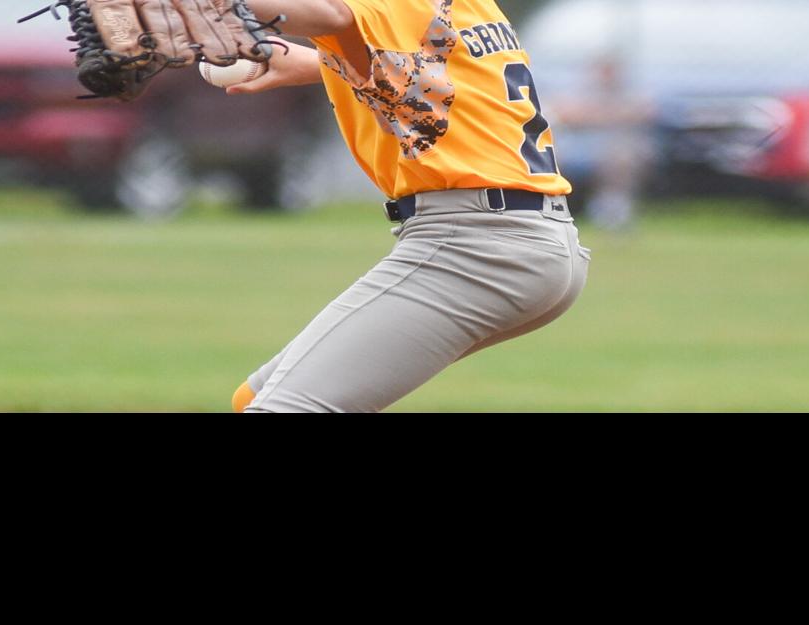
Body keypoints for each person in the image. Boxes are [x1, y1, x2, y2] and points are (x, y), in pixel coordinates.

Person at [226, 0, 590, 413]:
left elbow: (330, 16)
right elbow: (431, 78)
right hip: (530, 238)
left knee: (285, 407)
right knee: (255, 398)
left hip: (476, 247)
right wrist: (320, 63)